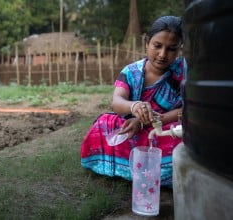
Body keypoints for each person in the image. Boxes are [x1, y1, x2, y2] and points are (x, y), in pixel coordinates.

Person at [80, 16, 187, 186]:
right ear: (147, 42)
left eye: (171, 49)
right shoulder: (131, 72)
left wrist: (150, 121)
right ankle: (149, 168)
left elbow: (186, 110)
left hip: (164, 126)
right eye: (157, 46)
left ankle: (141, 166)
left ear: (179, 49)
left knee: (187, 135)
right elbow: (117, 102)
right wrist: (135, 106)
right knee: (103, 124)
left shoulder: (183, 71)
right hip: (132, 127)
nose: (162, 54)